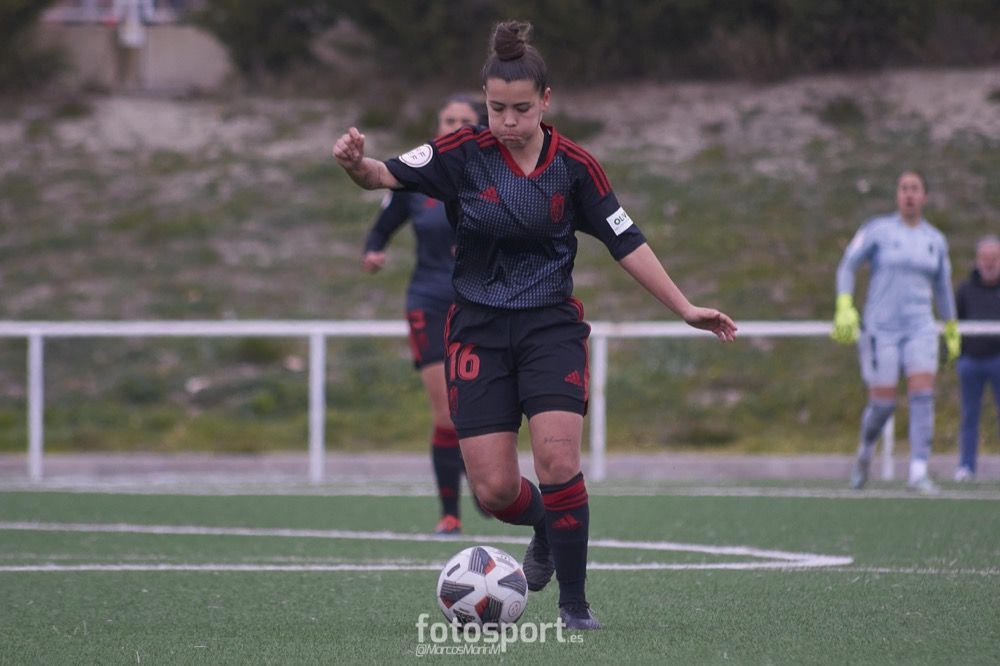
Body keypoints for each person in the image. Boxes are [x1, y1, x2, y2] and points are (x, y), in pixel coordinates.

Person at [334, 20, 736, 630]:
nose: (509, 121)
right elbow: (382, 176)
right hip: (477, 331)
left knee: (557, 461)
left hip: (550, 329)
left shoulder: (574, 167)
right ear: (485, 101)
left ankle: (575, 606)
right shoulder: (461, 154)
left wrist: (684, 307)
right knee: (495, 491)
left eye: (521, 109)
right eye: (498, 108)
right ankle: (547, 524)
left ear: (545, 101)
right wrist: (355, 163)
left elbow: (625, 239)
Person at [360, 95, 486, 535]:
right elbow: (382, 226)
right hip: (428, 302)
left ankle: (483, 475)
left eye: (465, 120)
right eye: (449, 119)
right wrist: (373, 250)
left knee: (480, 408)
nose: (456, 126)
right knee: (446, 412)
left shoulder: (494, 173)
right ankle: (449, 514)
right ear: (437, 126)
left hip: (480, 303)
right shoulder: (417, 176)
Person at [833, 170, 960, 494]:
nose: (909, 194)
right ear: (897, 195)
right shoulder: (878, 230)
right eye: (904, 188)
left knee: (922, 395)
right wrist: (844, 304)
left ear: (925, 196)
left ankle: (918, 471)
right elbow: (848, 265)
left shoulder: (935, 240)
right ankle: (865, 452)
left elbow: (943, 287)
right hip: (881, 330)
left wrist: (950, 326)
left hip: (920, 328)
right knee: (883, 404)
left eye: (915, 188)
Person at [954, 235, 1000, 482]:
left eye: (994, 258)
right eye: (985, 258)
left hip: (998, 360)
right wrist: (957, 355)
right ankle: (966, 466)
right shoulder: (965, 290)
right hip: (971, 361)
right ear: (977, 260)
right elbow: (955, 322)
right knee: (969, 415)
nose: (989, 263)